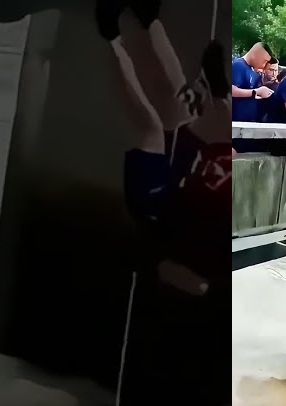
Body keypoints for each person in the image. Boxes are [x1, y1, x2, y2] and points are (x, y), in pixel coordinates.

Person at [96, 0, 229, 296]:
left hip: (158, 205)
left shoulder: (209, 255)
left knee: (152, 126)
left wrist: (166, 266)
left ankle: (111, 36)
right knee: (183, 101)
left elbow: (186, 278)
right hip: (194, 181)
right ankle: (150, 19)